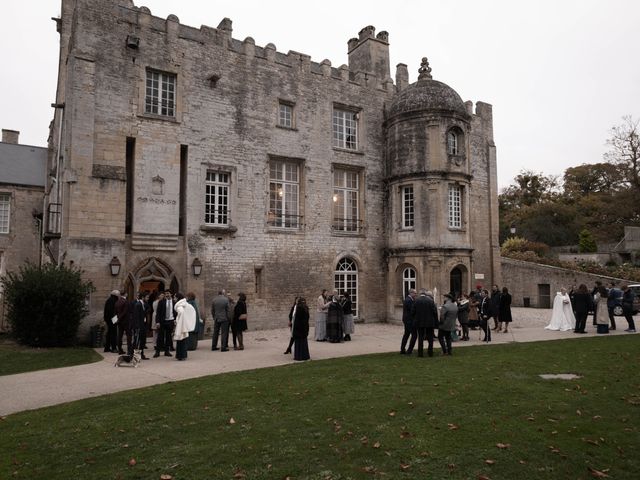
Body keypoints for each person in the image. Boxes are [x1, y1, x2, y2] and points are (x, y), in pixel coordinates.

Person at [408, 289, 438, 357]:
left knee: (420, 338)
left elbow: (412, 312)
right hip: (430, 322)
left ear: (420, 293)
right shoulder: (431, 301)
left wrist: (416, 318)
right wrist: (436, 322)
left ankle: (420, 353)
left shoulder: (416, 301)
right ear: (425, 294)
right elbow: (434, 312)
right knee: (430, 338)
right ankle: (430, 352)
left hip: (419, 322)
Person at [173, 293, 196, 360]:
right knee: (183, 340)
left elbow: (181, 312)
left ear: (177, 298)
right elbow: (191, 310)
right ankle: (183, 355)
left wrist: (177, 320)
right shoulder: (186, 304)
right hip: (184, 325)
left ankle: (180, 355)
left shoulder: (179, 306)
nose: (174, 299)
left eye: (175, 297)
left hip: (181, 325)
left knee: (180, 341)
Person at [154, 291, 175, 357]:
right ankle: (157, 352)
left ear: (171, 294)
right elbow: (158, 313)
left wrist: (175, 320)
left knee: (168, 337)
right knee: (160, 337)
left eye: (168, 293)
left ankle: (167, 351)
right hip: (162, 321)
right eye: (166, 294)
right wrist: (157, 322)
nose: (167, 295)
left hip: (170, 321)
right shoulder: (161, 302)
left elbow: (175, 312)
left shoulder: (174, 302)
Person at [130, 292, 149, 360]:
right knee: (136, 341)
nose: (148, 299)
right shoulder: (138, 305)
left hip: (143, 325)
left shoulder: (144, 304)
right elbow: (136, 317)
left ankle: (141, 354)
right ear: (143, 297)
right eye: (147, 297)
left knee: (143, 341)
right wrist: (137, 327)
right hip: (139, 326)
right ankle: (131, 354)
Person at [292, 297, 311, 361]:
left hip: (299, 329)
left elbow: (297, 320)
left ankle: (299, 356)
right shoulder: (306, 309)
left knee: (299, 343)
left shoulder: (299, 309)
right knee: (304, 343)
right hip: (304, 328)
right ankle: (305, 356)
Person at [400, 288, 417, 354]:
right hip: (409, 320)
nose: (416, 294)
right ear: (411, 293)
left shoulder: (409, 299)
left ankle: (402, 349)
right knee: (414, 335)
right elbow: (412, 310)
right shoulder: (409, 300)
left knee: (406, 335)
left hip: (407, 320)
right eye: (415, 293)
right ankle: (409, 350)